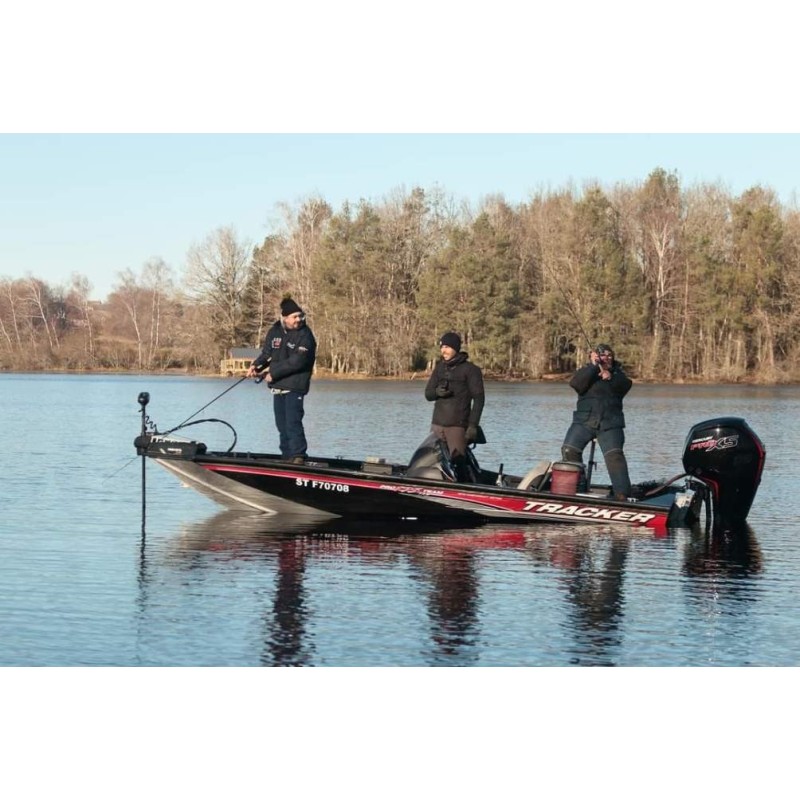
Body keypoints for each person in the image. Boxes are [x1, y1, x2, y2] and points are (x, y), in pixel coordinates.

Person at [247, 296, 317, 464]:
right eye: (295, 317)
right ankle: (287, 458)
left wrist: (273, 373)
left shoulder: (305, 335)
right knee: (282, 426)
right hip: (278, 386)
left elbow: (297, 361)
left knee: (293, 423)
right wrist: (256, 366)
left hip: (295, 385)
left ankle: (299, 457)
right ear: (285, 318)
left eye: (300, 316)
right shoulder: (275, 331)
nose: (299, 320)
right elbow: (267, 353)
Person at [561, 343, 632, 500]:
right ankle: (578, 487)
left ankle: (622, 494)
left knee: (615, 456)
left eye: (609, 355)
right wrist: (594, 367)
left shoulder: (619, 376)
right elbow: (576, 384)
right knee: (569, 450)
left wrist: (610, 376)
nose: (605, 358)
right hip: (584, 421)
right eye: (602, 355)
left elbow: (625, 386)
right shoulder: (586, 373)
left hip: (610, 424)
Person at [424, 331, 485, 481]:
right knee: (432, 463)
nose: (443, 350)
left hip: (457, 426)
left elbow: (479, 399)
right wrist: (437, 392)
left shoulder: (471, 370)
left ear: (455, 348)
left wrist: (472, 426)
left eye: (447, 347)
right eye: (441, 347)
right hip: (437, 425)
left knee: (458, 463)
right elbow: (428, 394)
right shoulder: (439, 368)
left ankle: (466, 490)